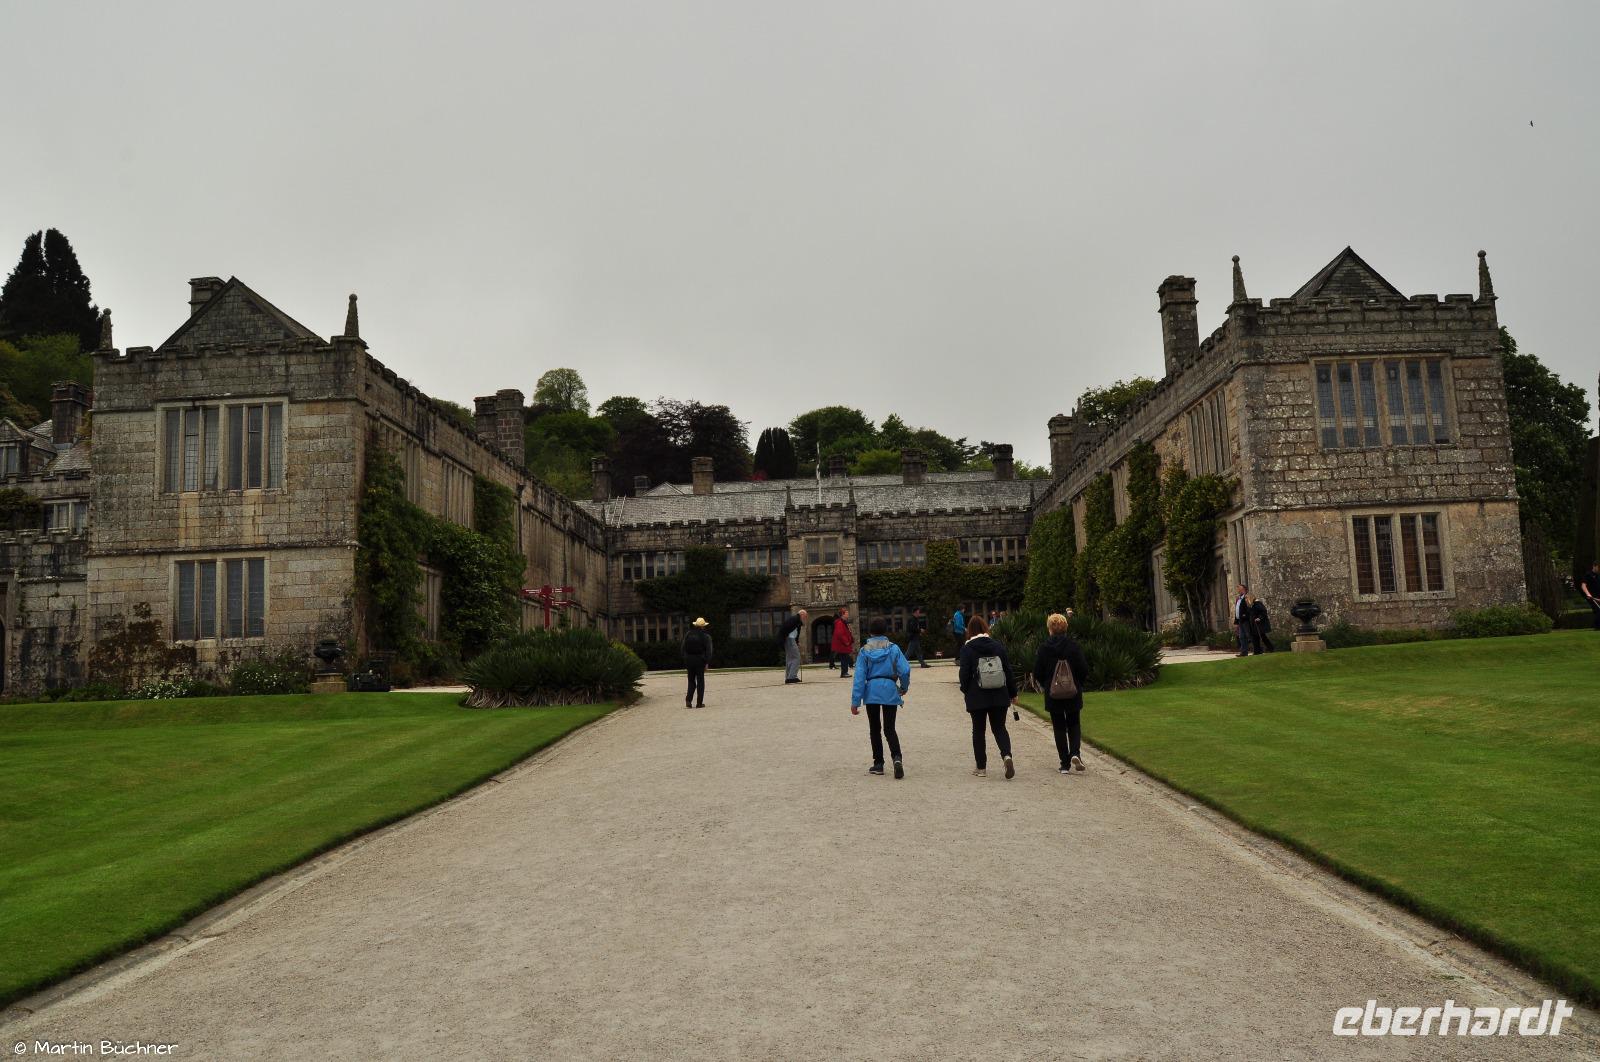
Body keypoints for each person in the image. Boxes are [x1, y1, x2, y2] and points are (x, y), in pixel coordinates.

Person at [850, 617, 912, 777]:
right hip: (890, 689)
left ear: (870, 632)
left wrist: (855, 701)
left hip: (872, 691)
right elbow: (904, 670)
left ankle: (878, 763)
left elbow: (859, 677)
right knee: (890, 728)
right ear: (886, 631)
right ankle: (897, 757)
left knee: (875, 729)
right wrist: (904, 687)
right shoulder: (894, 648)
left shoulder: (864, 651)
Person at [957, 616, 1018, 778]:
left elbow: (964, 673)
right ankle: (1006, 755)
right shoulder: (997, 646)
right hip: (999, 693)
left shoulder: (967, 649)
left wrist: (965, 690)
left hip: (977, 695)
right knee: (999, 728)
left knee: (978, 730)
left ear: (970, 631)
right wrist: (1013, 693)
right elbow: (1007, 670)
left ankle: (981, 767)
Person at [1032, 612, 1089, 773]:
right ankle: (1075, 753)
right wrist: (1077, 683)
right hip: (1072, 691)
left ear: (1050, 629)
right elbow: (1083, 669)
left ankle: (1064, 763)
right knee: (1074, 722)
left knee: (1058, 726)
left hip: (1053, 691)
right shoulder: (1073, 646)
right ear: (1065, 628)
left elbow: (1037, 671)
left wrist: (1047, 684)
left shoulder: (1044, 648)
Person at [681, 617, 713, 708]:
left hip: (689, 660)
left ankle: (688, 700)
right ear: (703, 626)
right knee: (700, 682)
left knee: (691, 681)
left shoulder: (688, 634)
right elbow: (709, 651)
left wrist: (685, 659)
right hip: (700, 661)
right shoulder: (706, 636)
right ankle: (699, 703)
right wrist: (707, 662)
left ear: (695, 625)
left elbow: (682, 648)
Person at [778, 608, 807, 683]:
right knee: (796, 657)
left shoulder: (797, 621)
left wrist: (796, 641)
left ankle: (788, 676)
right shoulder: (795, 619)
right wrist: (786, 637)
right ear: (801, 614)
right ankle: (792, 677)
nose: (805, 618)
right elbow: (784, 628)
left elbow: (796, 632)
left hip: (790, 640)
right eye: (805, 616)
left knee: (790, 659)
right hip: (790, 640)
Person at [832, 606, 855, 678]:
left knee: (845, 658)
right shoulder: (839, 622)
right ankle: (844, 672)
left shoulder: (843, 622)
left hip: (844, 644)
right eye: (847, 613)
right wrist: (846, 642)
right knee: (844, 659)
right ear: (843, 614)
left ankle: (845, 672)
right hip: (842, 644)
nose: (848, 615)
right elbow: (840, 633)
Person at [1232, 584, 1251, 657]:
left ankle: (1258, 649)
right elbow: (1237, 610)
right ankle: (1244, 652)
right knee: (1241, 637)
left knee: (1249, 636)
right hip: (1240, 620)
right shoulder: (1238, 599)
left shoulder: (1247, 597)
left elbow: (1250, 608)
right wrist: (1236, 621)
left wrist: (1245, 615)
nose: (1238, 590)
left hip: (1246, 620)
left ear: (1244, 590)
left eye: (1239, 589)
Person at [1584, 562, 1600, 631]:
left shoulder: (1598, 575)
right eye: (1598, 567)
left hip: (1599, 597)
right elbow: (1583, 585)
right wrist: (1588, 594)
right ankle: (1597, 627)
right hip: (1592, 597)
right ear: (1594, 566)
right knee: (1598, 610)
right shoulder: (1588, 575)